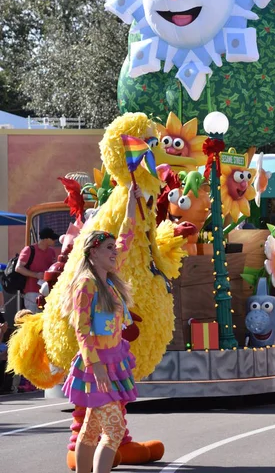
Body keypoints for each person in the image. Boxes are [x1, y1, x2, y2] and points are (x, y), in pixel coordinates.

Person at [60, 183, 140, 473]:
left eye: (112, 248)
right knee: (114, 432)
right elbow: (81, 330)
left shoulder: (108, 279)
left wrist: (131, 201)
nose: (114, 252)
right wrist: (98, 368)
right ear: (93, 253)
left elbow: (126, 238)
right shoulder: (87, 284)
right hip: (98, 367)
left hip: (112, 362)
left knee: (91, 431)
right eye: (108, 249)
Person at [16, 227, 59, 313]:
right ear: (46, 239)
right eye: (52, 238)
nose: (55, 240)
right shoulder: (29, 250)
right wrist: (36, 275)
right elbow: (18, 268)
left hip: (48, 292)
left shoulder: (52, 251)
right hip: (32, 291)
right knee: (33, 318)